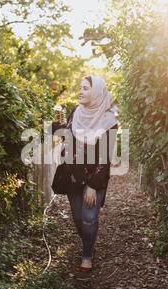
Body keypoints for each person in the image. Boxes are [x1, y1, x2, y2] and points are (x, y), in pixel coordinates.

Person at [51, 75, 118, 272]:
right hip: (73, 175)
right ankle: (88, 241)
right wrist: (51, 129)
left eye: (86, 88)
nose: (80, 91)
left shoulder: (109, 121)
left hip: (94, 177)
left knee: (89, 218)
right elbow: (71, 130)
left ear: (96, 92)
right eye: (80, 87)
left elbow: (105, 158)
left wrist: (93, 186)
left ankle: (87, 255)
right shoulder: (76, 112)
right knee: (79, 219)